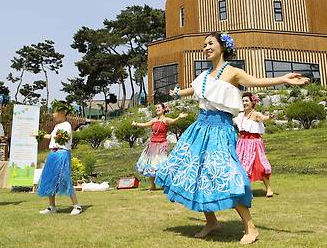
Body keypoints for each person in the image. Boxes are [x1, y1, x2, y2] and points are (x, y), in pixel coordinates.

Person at [155, 32, 309, 245]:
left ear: (222, 47)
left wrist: (282, 78)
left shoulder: (233, 72)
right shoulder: (205, 74)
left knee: (226, 175)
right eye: (204, 44)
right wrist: (177, 93)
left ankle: (250, 228)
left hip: (220, 130)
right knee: (194, 173)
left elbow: (256, 81)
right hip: (200, 128)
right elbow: (194, 89)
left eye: (211, 43)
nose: (206, 47)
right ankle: (211, 221)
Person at [36, 101, 82, 216]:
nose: (53, 114)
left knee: (64, 178)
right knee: (50, 178)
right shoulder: (57, 126)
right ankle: (52, 207)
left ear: (62, 112)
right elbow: (51, 137)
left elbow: (61, 137)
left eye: (55, 112)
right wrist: (39, 134)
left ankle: (77, 206)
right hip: (53, 154)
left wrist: (53, 136)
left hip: (62, 154)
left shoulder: (67, 125)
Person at [132, 103, 188, 190]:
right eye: (156, 108)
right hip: (152, 145)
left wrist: (179, 117)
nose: (157, 109)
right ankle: (152, 186)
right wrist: (136, 124)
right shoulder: (154, 120)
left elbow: (173, 121)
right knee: (150, 165)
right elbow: (146, 124)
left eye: (158, 108)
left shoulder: (166, 120)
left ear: (163, 109)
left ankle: (166, 183)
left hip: (161, 145)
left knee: (162, 164)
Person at [234, 92, 274, 198]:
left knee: (259, 166)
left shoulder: (255, 114)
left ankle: (269, 188)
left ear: (252, 102)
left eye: (246, 101)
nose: (244, 103)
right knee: (243, 167)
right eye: (243, 101)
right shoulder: (240, 115)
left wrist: (269, 117)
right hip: (242, 143)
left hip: (254, 143)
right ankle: (247, 191)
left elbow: (263, 118)